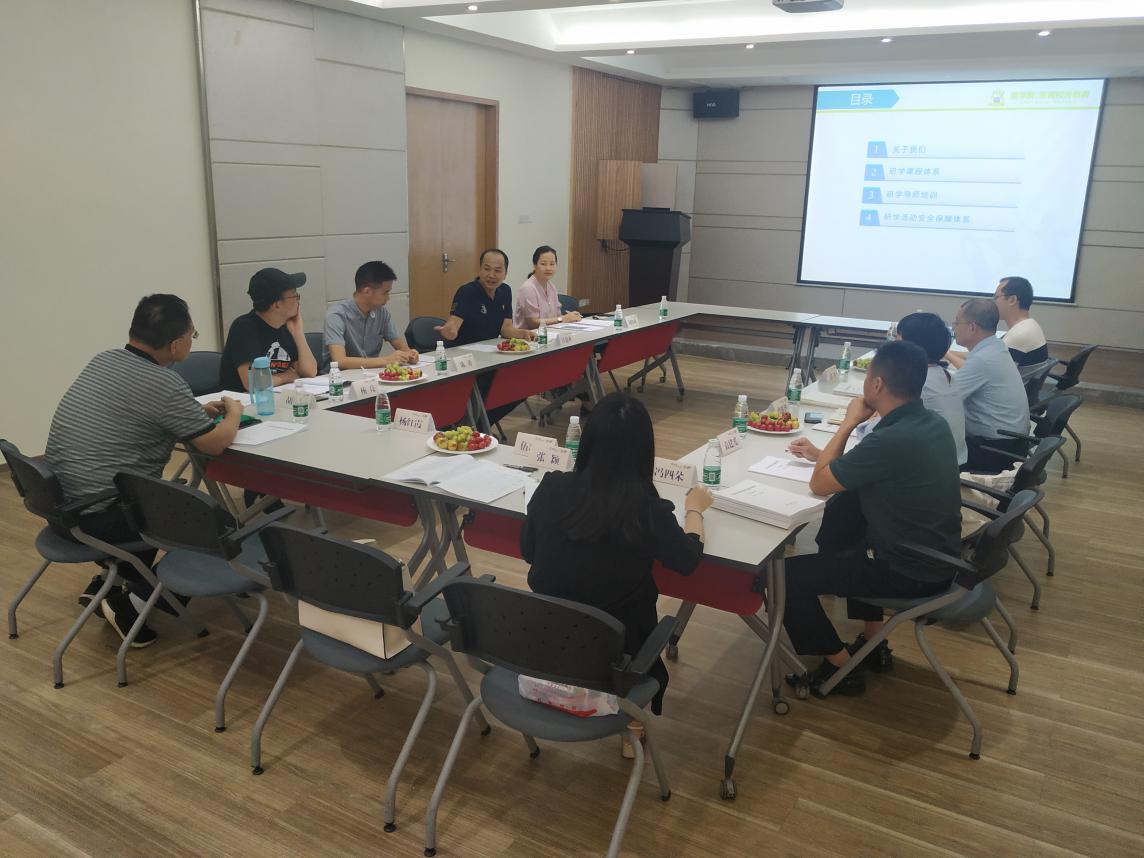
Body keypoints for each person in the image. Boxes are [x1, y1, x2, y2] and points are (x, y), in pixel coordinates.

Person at [44, 294, 243, 646]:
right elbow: (214, 444)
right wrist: (235, 414)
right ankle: (130, 604)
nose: (192, 341)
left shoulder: (104, 360)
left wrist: (192, 415)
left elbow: (133, 415)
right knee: (213, 522)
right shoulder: (164, 384)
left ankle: (110, 582)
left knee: (158, 497)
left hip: (61, 505)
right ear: (176, 345)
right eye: (192, 335)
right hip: (102, 514)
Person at [520, 392, 713, 755]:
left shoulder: (551, 487)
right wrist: (695, 509)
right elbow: (688, 560)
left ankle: (627, 716)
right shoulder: (647, 510)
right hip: (618, 662)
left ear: (587, 443)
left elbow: (528, 551)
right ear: (644, 454)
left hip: (547, 649)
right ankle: (631, 722)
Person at [783, 341, 962, 696]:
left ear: (877, 384)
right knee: (849, 520)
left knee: (784, 578)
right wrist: (826, 456)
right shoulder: (932, 423)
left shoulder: (891, 438)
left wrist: (849, 422)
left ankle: (840, 668)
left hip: (911, 572)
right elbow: (873, 468)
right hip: (939, 557)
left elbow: (820, 484)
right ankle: (873, 644)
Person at [951, 298, 1031, 472]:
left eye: (956, 322)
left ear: (972, 327)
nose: (953, 326)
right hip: (1011, 443)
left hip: (994, 451)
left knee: (928, 447)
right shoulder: (996, 347)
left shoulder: (983, 359)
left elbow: (947, 397)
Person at [218, 267, 318, 391]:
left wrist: (298, 333)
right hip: (244, 400)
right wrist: (286, 377)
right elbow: (253, 383)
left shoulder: (285, 326)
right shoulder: (243, 328)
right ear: (277, 304)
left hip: (277, 396)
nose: (298, 301)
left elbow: (310, 372)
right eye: (294, 296)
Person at [896, 311, 967, 466]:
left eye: (898, 338)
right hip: (955, 463)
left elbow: (880, 430)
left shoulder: (917, 381)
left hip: (929, 468)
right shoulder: (945, 375)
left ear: (911, 346)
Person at [323, 260, 418, 370]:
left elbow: (401, 346)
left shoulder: (382, 313)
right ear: (367, 292)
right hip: (339, 379)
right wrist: (386, 360)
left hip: (370, 376)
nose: (388, 298)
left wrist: (410, 355)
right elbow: (340, 361)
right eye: (385, 293)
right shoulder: (336, 315)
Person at [433, 249, 537, 347]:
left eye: (497, 270)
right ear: (480, 270)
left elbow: (505, 329)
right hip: (463, 351)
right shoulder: (466, 292)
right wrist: (450, 331)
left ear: (505, 274)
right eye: (487, 269)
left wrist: (523, 333)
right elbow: (454, 324)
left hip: (489, 350)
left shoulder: (505, 291)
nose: (491, 275)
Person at [513, 246, 582, 330]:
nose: (548, 268)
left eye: (552, 264)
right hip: (528, 335)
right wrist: (562, 319)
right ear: (534, 265)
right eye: (543, 264)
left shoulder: (551, 287)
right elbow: (532, 323)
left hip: (549, 333)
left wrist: (570, 317)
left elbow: (557, 316)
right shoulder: (528, 288)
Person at [995, 276, 1049, 366]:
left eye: (996, 297)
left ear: (1012, 300)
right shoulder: (1030, 324)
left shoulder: (1017, 336)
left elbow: (990, 371)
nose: (994, 302)